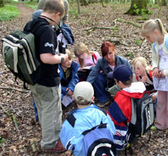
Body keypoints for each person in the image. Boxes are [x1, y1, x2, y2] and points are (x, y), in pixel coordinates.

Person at [24, 0, 68, 152]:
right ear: (57, 14)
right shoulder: (47, 30)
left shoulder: (31, 24)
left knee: (43, 107)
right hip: (47, 79)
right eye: (59, 18)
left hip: (33, 77)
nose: (58, 22)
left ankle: (47, 134)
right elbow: (46, 57)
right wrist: (63, 58)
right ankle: (50, 143)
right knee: (52, 110)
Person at [59, 81, 116, 156]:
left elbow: (66, 144)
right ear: (93, 98)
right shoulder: (102, 114)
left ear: (73, 97)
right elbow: (113, 132)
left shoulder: (71, 121)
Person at [107, 64, 146, 150]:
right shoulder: (140, 88)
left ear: (119, 82)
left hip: (127, 128)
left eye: (115, 80)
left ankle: (120, 144)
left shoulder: (121, 99)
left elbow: (112, 117)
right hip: (138, 123)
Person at [87, 41, 132, 107]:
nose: (108, 57)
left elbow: (131, 75)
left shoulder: (123, 61)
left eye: (110, 53)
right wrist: (86, 86)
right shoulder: (101, 61)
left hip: (121, 83)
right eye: (105, 55)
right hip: (108, 82)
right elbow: (93, 74)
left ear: (114, 51)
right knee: (97, 77)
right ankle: (104, 98)